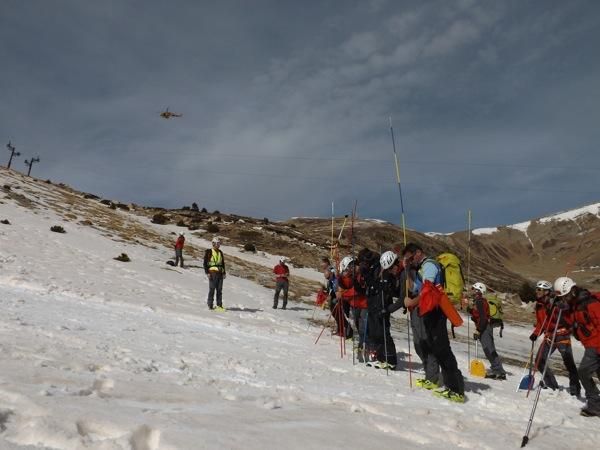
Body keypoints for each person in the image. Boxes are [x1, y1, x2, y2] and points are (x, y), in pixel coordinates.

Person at [402, 242, 465, 403]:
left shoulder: (429, 266)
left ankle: (456, 389)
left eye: (410, 257)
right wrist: (407, 270)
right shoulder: (421, 269)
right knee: (436, 347)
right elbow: (415, 287)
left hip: (437, 311)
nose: (410, 260)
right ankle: (450, 385)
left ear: (418, 253)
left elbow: (426, 292)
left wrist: (412, 302)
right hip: (430, 312)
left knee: (443, 349)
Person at [554, 277, 600, 416]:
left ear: (572, 291)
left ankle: (595, 404)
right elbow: (572, 322)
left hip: (596, 345)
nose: (564, 299)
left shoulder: (591, 304)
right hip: (590, 344)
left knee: (583, 372)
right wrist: (560, 311)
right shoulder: (574, 305)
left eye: (564, 296)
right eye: (561, 297)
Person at [529, 280, 581, 396]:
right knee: (539, 361)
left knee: (569, 364)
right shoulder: (539, 305)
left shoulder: (555, 301)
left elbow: (567, 312)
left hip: (562, 334)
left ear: (547, 291)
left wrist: (559, 305)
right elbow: (541, 323)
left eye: (540, 289)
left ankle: (575, 389)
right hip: (549, 336)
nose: (537, 291)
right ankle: (552, 385)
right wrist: (536, 333)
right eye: (537, 289)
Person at [469, 282, 507, 380]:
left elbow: (483, 318)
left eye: (474, 289)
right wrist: (470, 310)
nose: (471, 291)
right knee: (488, 350)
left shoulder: (480, 301)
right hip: (484, 327)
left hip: (484, 328)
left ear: (479, 291)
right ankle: (496, 369)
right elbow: (480, 315)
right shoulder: (479, 301)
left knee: (489, 349)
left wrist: (478, 330)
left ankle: (499, 371)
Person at [204, 236, 226, 311]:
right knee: (212, 289)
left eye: (219, 243)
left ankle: (219, 306)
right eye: (217, 243)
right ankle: (210, 305)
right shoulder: (209, 252)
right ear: (213, 244)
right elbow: (205, 263)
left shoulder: (220, 252)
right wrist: (207, 272)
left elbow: (222, 263)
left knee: (219, 290)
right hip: (212, 273)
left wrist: (224, 273)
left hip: (220, 273)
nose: (218, 245)